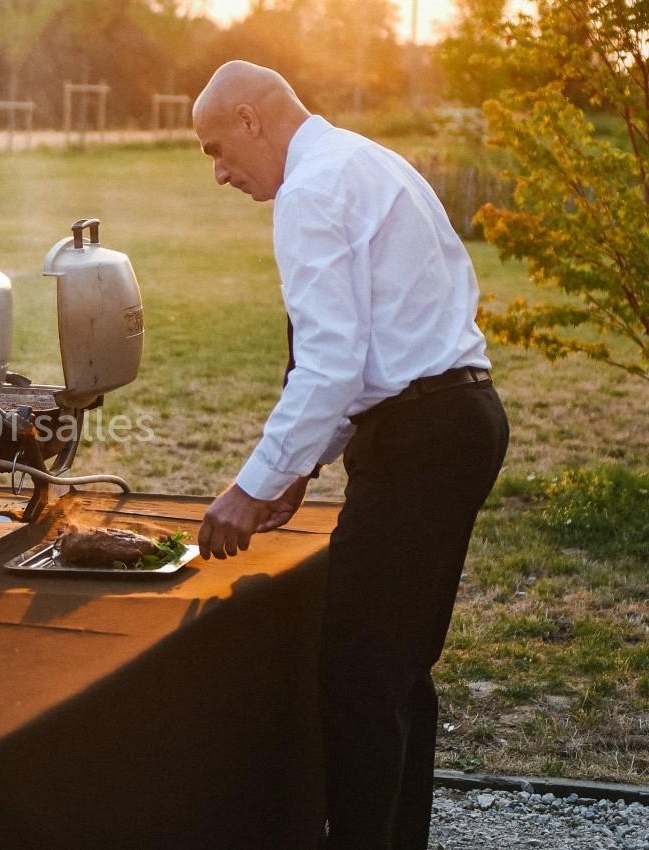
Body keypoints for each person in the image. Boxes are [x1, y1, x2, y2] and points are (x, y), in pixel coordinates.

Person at [191, 61, 509, 849]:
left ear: (252, 118)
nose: (221, 173)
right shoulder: (367, 160)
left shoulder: (310, 190)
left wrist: (253, 485)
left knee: (360, 673)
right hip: (460, 418)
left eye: (216, 148)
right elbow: (371, 350)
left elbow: (332, 362)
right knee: (398, 666)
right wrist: (303, 465)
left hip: (422, 438)